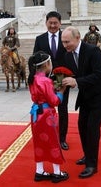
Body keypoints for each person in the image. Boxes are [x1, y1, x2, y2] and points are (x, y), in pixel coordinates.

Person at [61, 26, 101, 179]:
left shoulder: (93, 51)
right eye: (63, 42)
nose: (65, 45)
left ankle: (92, 165)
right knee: (82, 126)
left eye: (67, 42)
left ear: (78, 37)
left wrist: (76, 82)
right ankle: (88, 155)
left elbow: (99, 75)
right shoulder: (67, 56)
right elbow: (69, 76)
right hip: (86, 95)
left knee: (92, 129)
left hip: (100, 94)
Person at [28, 51, 69, 183]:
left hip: (36, 114)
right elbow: (54, 101)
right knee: (53, 141)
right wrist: (62, 91)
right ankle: (57, 172)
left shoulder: (32, 79)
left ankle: (39, 171)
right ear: (46, 64)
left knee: (38, 143)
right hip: (47, 115)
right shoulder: (46, 81)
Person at [33, 11, 69, 150]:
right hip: (44, 81)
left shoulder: (65, 37)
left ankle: (62, 139)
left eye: (56, 23)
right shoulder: (40, 39)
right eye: (50, 23)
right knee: (45, 110)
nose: (53, 25)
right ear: (46, 23)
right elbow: (35, 60)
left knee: (63, 108)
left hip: (61, 77)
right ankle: (46, 136)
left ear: (60, 23)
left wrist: (70, 76)